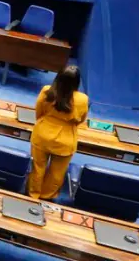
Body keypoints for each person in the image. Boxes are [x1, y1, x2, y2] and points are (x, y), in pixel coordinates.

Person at [29, 66, 88, 200]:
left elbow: (39, 112)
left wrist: (44, 124)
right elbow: (81, 120)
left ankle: (33, 195)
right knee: (57, 174)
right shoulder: (83, 99)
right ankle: (46, 198)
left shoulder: (47, 91)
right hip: (66, 140)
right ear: (77, 81)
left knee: (37, 168)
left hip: (42, 135)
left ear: (58, 77)